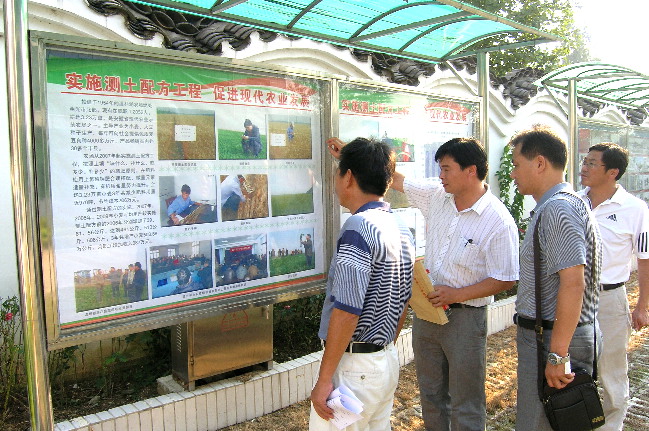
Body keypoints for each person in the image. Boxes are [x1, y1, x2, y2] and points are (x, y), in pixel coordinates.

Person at [329, 136, 520, 430]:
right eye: (440, 169)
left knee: (466, 399)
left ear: (471, 171)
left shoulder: (497, 220)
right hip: (427, 313)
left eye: (446, 169)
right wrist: (355, 156)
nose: (441, 176)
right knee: (431, 394)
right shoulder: (437, 195)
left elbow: (506, 278)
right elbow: (397, 180)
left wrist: (458, 294)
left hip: (465, 319)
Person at [310, 137, 414, 431]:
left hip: (354, 370)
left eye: (338, 172)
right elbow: (404, 299)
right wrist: (381, 350)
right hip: (383, 360)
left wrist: (325, 379)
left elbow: (347, 309)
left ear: (349, 177)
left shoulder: (358, 227)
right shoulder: (400, 226)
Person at [509, 125, 601, 431]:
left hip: (552, 337)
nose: (513, 174)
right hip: (550, 335)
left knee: (539, 424)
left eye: (516, 165)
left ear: (539, 163)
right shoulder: (560, 204)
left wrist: (558, 354)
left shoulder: (558, 209)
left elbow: (573, 283)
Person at [577, 142, 649, 431]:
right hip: (572, 296)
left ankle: (610, 426)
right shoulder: (574, 202)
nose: (584, 167)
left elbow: (645, 259)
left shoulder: (635, 209)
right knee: (572, 365)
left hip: (610, 297)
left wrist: (642, 306)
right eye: (585, 161)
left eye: (592, 163)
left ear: (613, 172)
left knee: (612, 369)